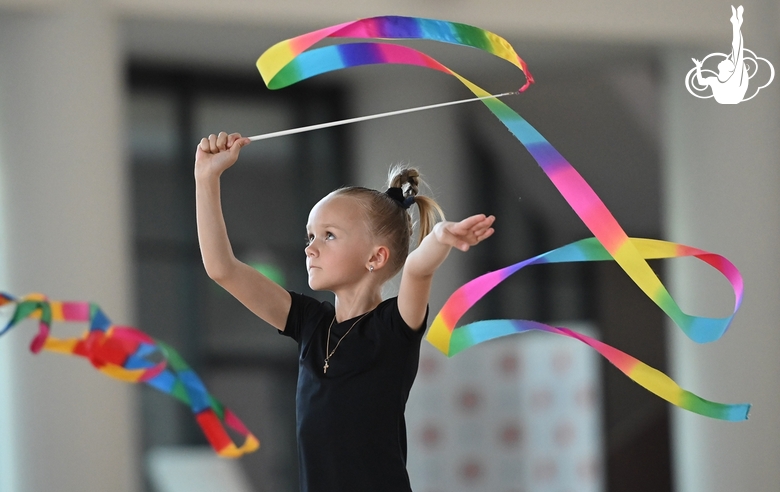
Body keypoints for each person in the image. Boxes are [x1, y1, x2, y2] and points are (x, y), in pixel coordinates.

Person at [195, 131, 495, 492]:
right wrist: (206, 178)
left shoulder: (393, 326)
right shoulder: (308, 322)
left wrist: (440, 237)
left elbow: (417, 269)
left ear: (376, 257)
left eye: (329, 235)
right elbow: (222, 269)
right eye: (310, 236)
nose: (311, 249)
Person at [692, 5, 748, 104]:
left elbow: (737, 49)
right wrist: (698, 67)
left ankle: (736, 23)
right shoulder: (714, 80)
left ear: (730, 69)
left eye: (728, 61)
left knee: (737, 49)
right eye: (728, 60)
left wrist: (736, 26)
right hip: (728, 98)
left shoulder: (734, 78)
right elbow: (701, 82)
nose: (725, 59)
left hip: (732, 97)